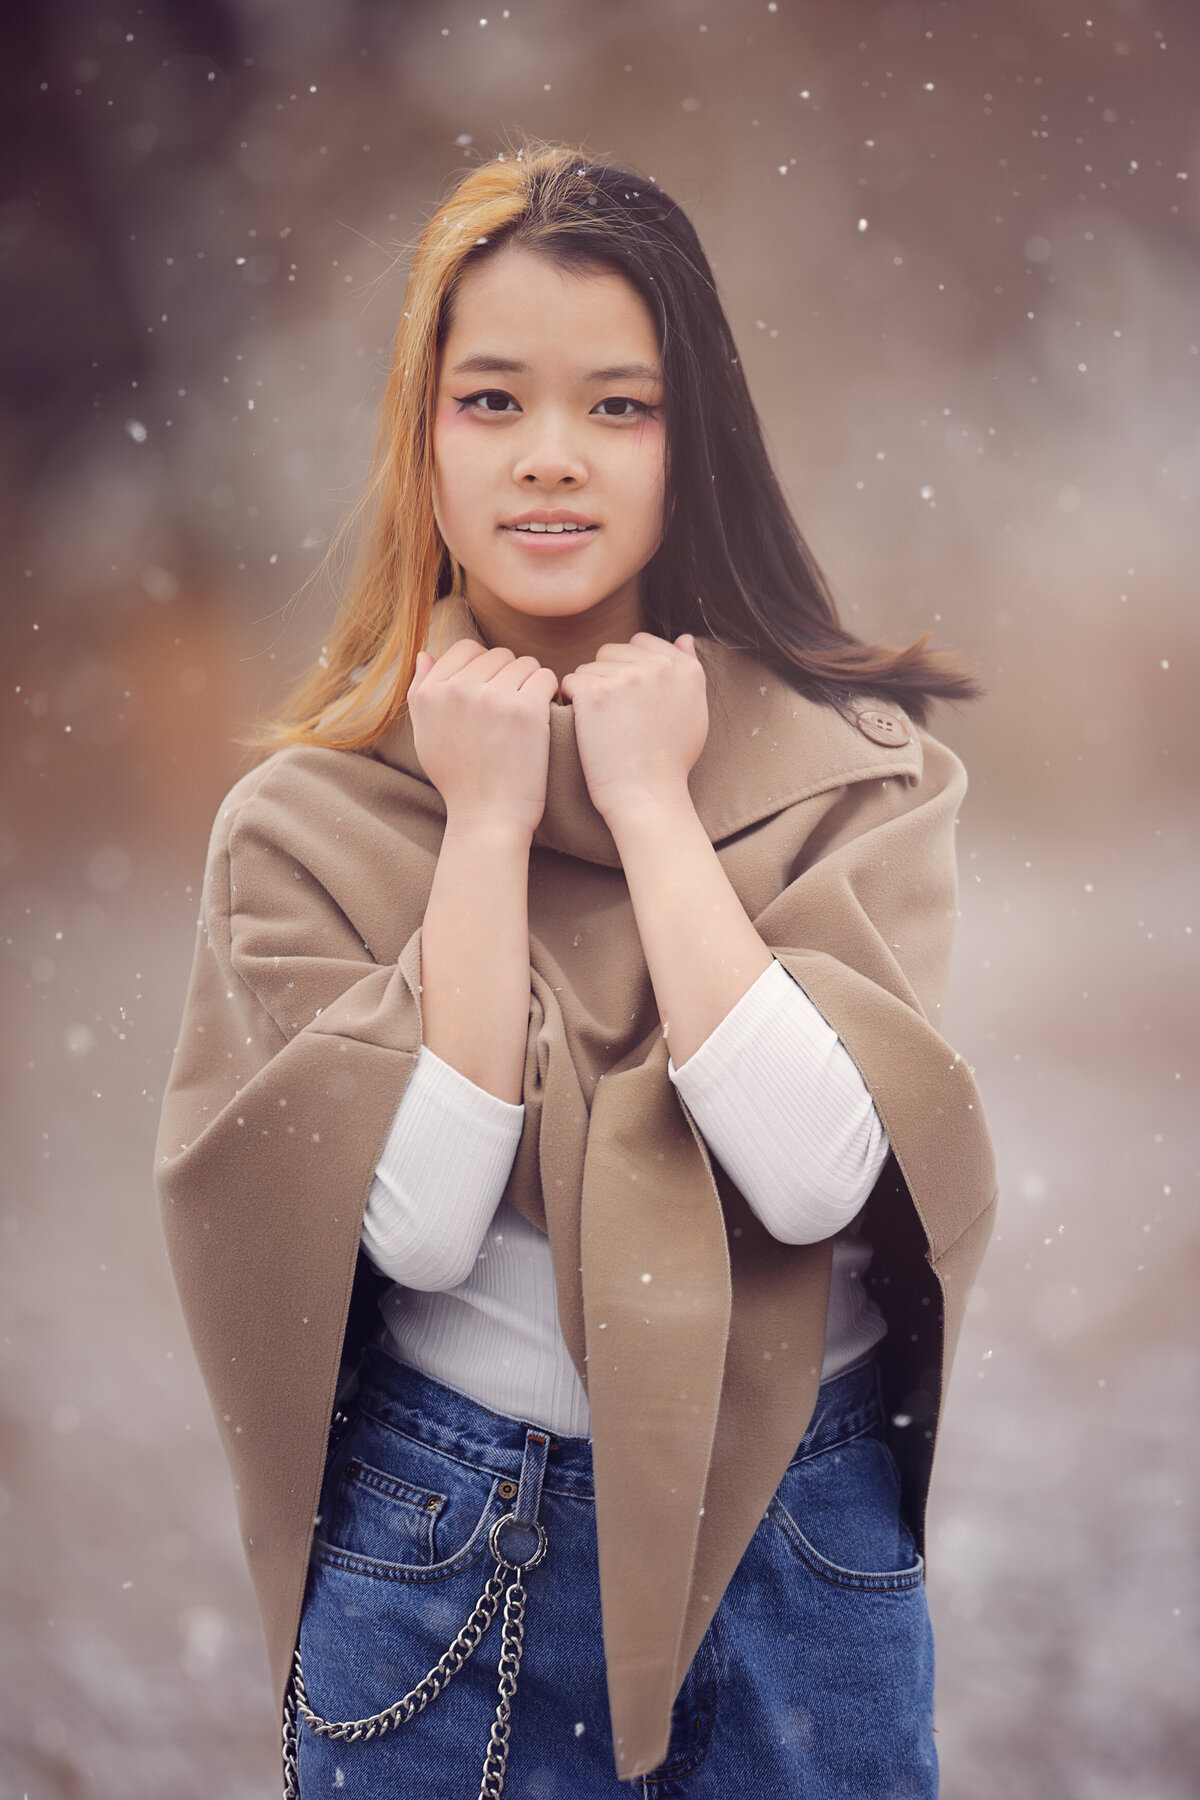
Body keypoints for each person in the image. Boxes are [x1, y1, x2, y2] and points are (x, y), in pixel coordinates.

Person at [154, 138, 997, 1799]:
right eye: (493, 402)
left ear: (700, 443)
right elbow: (413, 1220)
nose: (553, 460)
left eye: (620, 405)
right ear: (423, 436)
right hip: (449, 1536)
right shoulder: (310, 819)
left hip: (795, 1528)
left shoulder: (854, 771)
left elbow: (816, 1174)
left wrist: (645, 803)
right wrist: (480, 825)